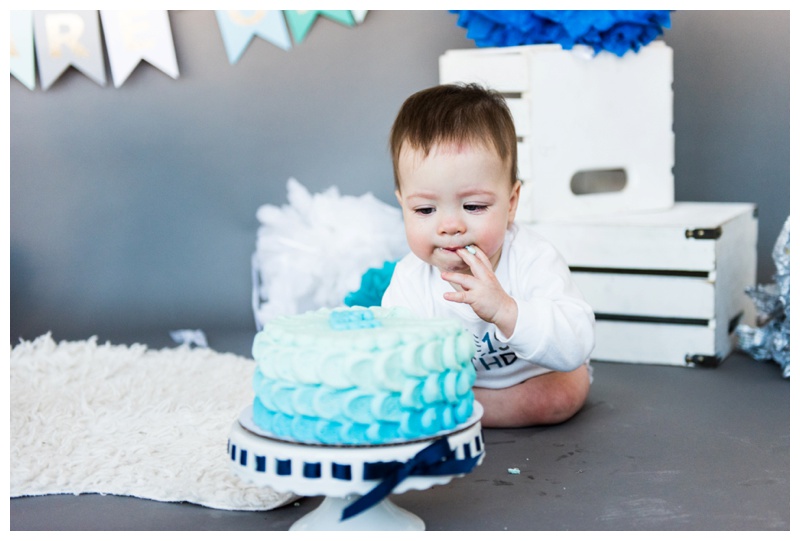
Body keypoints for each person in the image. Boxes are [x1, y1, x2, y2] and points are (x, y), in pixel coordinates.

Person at [381, 83, 595, 427]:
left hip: (532, 378)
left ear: (511, 204)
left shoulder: (531, 258)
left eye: (474, 206)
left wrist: (507, 311)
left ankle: (463, 413)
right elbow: (395, 355)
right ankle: (459, 406)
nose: (450, 225)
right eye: (424, 210)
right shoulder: (410, 279)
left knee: (563, 393)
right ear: (402, 204)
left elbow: (577, 341)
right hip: (455, 386)